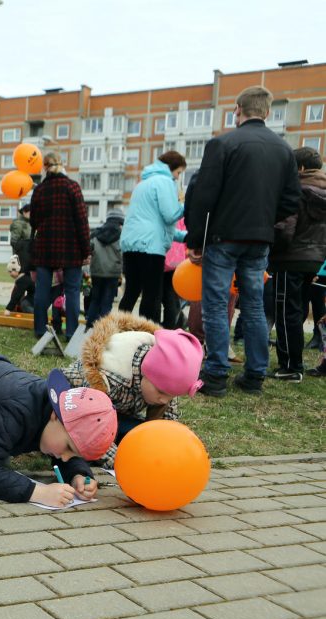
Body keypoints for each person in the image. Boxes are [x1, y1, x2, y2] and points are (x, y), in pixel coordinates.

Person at [185, 86, 302, 396]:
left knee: (215, 304)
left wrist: (195, 239)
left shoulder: (222, 143)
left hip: (223, 237)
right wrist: (265, 220)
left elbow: (203, 196)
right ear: (267, 111)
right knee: (253, 308)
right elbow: (292, 201)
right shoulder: (283, 149)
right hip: (259, 238)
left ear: (238, 109)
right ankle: (254, 375)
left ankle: (217, 375)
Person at [0, 352, 117, 507]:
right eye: (68, 448)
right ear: (55, 416)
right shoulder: (15, 407)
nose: (65, 457)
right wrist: (39, 493)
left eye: (75, 455)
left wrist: (78, 474)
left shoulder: (58, 418)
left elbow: (71, 450)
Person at [61, 311, 203, 468]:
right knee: (81, 449)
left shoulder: (165, 384)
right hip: (74, 416)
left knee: (142, 439)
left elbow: (167, 426)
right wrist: (124, 466)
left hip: (115, 415)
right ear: (146, 372)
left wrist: (168, 452)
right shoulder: (108, 379)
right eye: (161, 393)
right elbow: (91, 429)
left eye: (172, 396)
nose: (164, 400)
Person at [268, 147, 326, 381]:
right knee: (299, 310)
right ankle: (295, 361)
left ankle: (291, 366)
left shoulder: (296, 190)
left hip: (290, 258)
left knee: (286, 312)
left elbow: (284, 229)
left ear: (300, 167)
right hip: (317, 261)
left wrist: (272, 251)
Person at [118, 151, 187, 322]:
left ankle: (115, 330)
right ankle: (147, 336)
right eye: (178, 173)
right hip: (151, 248)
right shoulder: (165, 182)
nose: (178, 178)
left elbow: (158, 222)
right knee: (152, 295)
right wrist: (187, 205)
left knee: (131, 292)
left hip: (131, 244)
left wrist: (182, 237)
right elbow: (170, 215)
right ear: (171, 168)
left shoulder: (142, 184)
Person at [29, 152, 91, 340]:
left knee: (42, 289)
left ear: (44, 167)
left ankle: (40, 329)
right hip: (71, 248)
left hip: (46, 246)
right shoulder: (73, 187)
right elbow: (82, 220)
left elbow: (33, 222)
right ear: (62, 165)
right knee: (72, 291)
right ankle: (71, 332)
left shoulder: (39, 190)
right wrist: (86, 250)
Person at [84, 209, 124, 327]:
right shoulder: (122, 235)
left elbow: (88, 249)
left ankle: (90, 325)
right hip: (113, 273)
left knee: (95, 300)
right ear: (120, 221)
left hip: (97, 272)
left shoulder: (96, 233)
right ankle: (102, 328)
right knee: (107, 302)